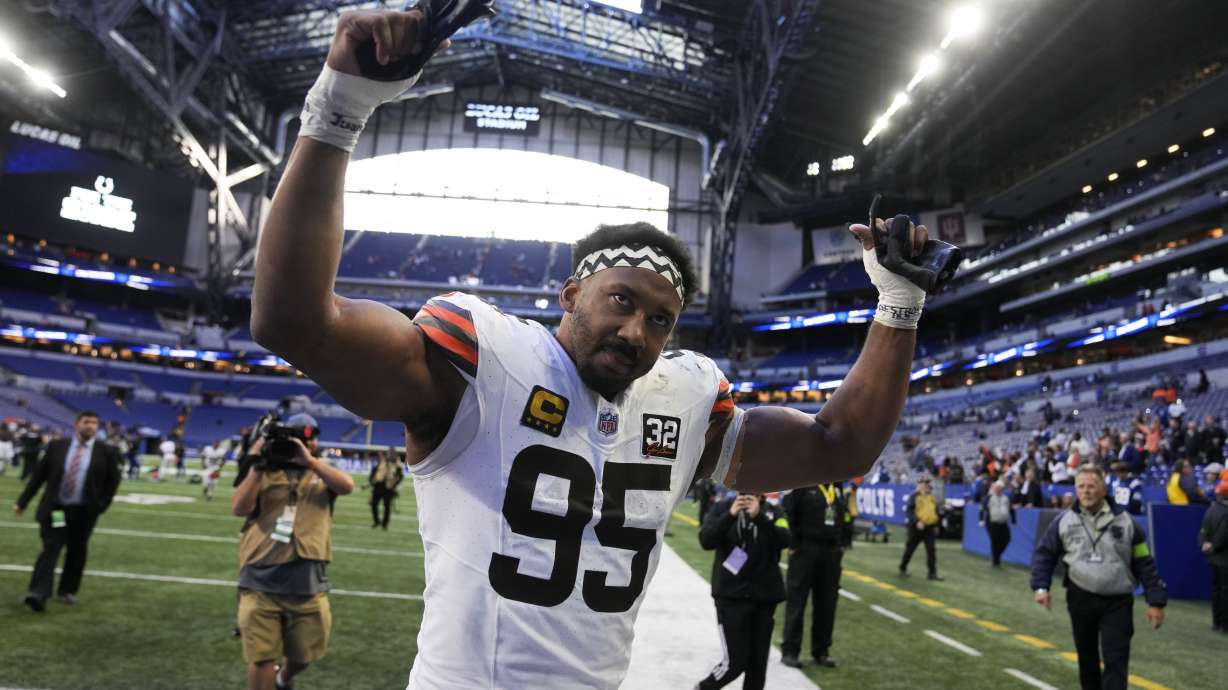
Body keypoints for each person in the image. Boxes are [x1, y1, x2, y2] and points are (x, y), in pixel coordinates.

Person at [249, 8, 954, 687]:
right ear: (569, 295)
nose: (637, 331)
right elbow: (295, 323)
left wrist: (899, 304)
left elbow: (842, 447)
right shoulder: (485, 358)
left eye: (661, 319)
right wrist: (338, 107)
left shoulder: (684, 398)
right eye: (623, 301)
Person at [231, 413, 355, 690]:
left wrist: (308, 461)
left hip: (308, 580)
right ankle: (271, 676)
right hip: (260, 576)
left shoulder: (320, 470)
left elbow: (346, 486)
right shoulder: (263, 469)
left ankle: (283, 678)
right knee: (260, 657)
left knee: (303, 655)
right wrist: (259, 465)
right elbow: (239, 508)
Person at [1030, 466, 1167, 690]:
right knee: (1087, 660)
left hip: (1118, 602)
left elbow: (1145, 562)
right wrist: (1040, 587)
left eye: (1091, 486)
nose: (1086, 491)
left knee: (1116, 660)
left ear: (1104, 489)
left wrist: (1156, 600)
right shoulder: (1063, 521)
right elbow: (1044, 554)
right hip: (1080, 597)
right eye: (1081, 486)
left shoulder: (1127, 522)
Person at [12, 411, 122, 612]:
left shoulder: (106, 451)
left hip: (84, 512)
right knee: (51, 546)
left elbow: (113, 481)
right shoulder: (57, 447)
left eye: (94, 423)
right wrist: (23, 501)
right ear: (77, 424)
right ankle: (38, 593)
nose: (91, 426)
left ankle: (67, 590)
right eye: (86, 422)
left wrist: (101, 506)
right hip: (58, 510)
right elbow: (39, 476)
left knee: (77, 550)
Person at [696, 492, 788, 689]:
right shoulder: (723, 507)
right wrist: (730, 515)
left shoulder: (774, 511)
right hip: (731, 597)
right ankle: (703, 687)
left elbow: (786, 540)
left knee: (757, 667)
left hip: (765, 597)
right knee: (734, 664)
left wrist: (759, 517)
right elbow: (706, 540)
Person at [779, 482, 849, 668]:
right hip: (804, 549)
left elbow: (846, 516)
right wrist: (793, 544)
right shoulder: (803, 482)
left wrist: (843, 544)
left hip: (831, 553)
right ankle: (790, 651)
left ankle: (822, 651)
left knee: (827, 603)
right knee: (796, 602)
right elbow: (787, 511)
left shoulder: (838, 487)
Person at [899, 476, 943, 580]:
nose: (927, 486)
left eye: (928, 484)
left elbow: (935, 512)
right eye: (925, 484)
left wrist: (936, 525)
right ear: (920, 485)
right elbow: (909, 511)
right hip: (916, 528)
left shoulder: (931, 497)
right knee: (910, 549)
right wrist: (916, 522)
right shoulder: (914, 496)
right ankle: (903, 567)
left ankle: (932, 573)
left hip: (929, 528)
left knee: (931, 550)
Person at [1201, 481, 1228, 632]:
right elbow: (1224, 535)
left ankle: (1216, 622)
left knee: (1216, 590)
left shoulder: (1211, 510)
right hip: (1224, 557)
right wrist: (1214, 545)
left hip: (1212, 558)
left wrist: (1205, 544)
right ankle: (1225, 624)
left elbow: (1203, 530)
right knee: (1225, 591)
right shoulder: (1226, 512)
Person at [979, 480, 1016, 567]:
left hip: (1003, 522)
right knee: (995, 541)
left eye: (1000, 488)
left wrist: (1014, 520)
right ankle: (996, 561)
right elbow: (981, 509)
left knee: (1006, 539)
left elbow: (1011, 509)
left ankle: (996, 557)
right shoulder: (988, 498)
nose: (998, 489)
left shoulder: (1006, 498)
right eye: (996, 488)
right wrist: (981, 520)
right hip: (992, 522)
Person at [367, 449, 403, 530]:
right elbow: (375, 471)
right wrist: (372, 481)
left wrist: (394, 485)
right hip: (379, 486)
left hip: (388, 487)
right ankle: (377, 521)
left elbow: (399, 476)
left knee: (387, 507)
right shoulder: (382, 462)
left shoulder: (396, 465)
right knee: (374, 505)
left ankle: (384, 524)